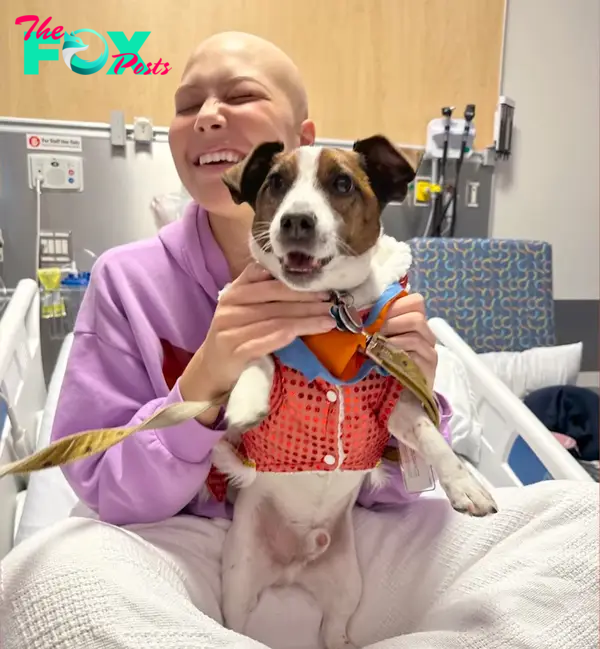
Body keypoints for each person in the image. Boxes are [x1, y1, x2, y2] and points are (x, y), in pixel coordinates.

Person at [0, 31, 597, 649]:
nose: (207, 115)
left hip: (354, 524)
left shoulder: (374, 290)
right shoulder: (126, 282)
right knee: (43, 580)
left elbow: (401, 489)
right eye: (186, 104)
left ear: (304, 138)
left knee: (585, 531)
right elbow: (102, 489)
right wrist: (204, 380)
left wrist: (415, 386)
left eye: (239, 94)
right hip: (179, 537)